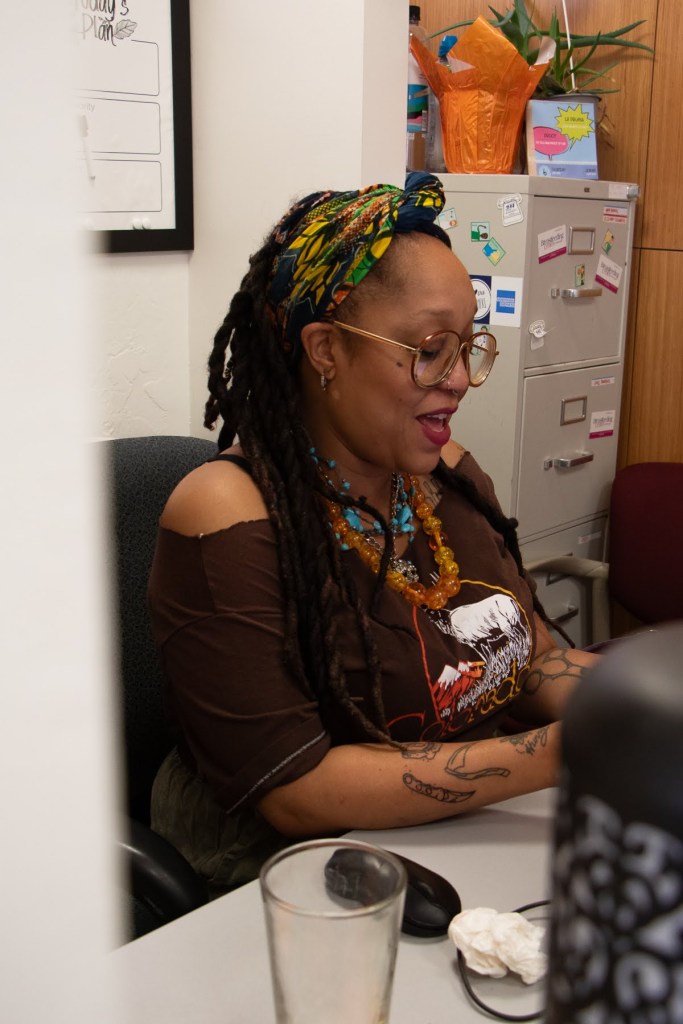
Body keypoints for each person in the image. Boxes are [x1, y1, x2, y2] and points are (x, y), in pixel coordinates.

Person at [148, 172, 597, 895]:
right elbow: (295, 789)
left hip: (459, 835)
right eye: (428, 348)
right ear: (325, 350)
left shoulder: (442, 474)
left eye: (468, 344)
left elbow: (532, 656)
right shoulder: (226, 512)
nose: (458, 379)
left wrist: (633, 703)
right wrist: (564, 752)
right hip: (289, 875)